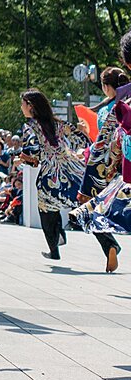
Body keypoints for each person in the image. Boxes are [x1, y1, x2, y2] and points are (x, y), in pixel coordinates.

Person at [20, 88, 88, 262]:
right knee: (83, 207)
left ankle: (55, 245)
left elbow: (33, 152)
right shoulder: (58, 123)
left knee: (46, 208)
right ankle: (109, 244)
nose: (21, 107)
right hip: (72, 169)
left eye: (23, 104)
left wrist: (26, 158)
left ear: (31, 106)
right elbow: (80, 140)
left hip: (50, 174)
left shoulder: (30, 126)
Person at [77, 53, 129, 273]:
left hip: (108, 169)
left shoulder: (107, 111)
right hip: (124, 166)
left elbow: (100, 141)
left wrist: (86, 135)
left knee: (91, 208)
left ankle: (109, 244)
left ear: (108, 87)